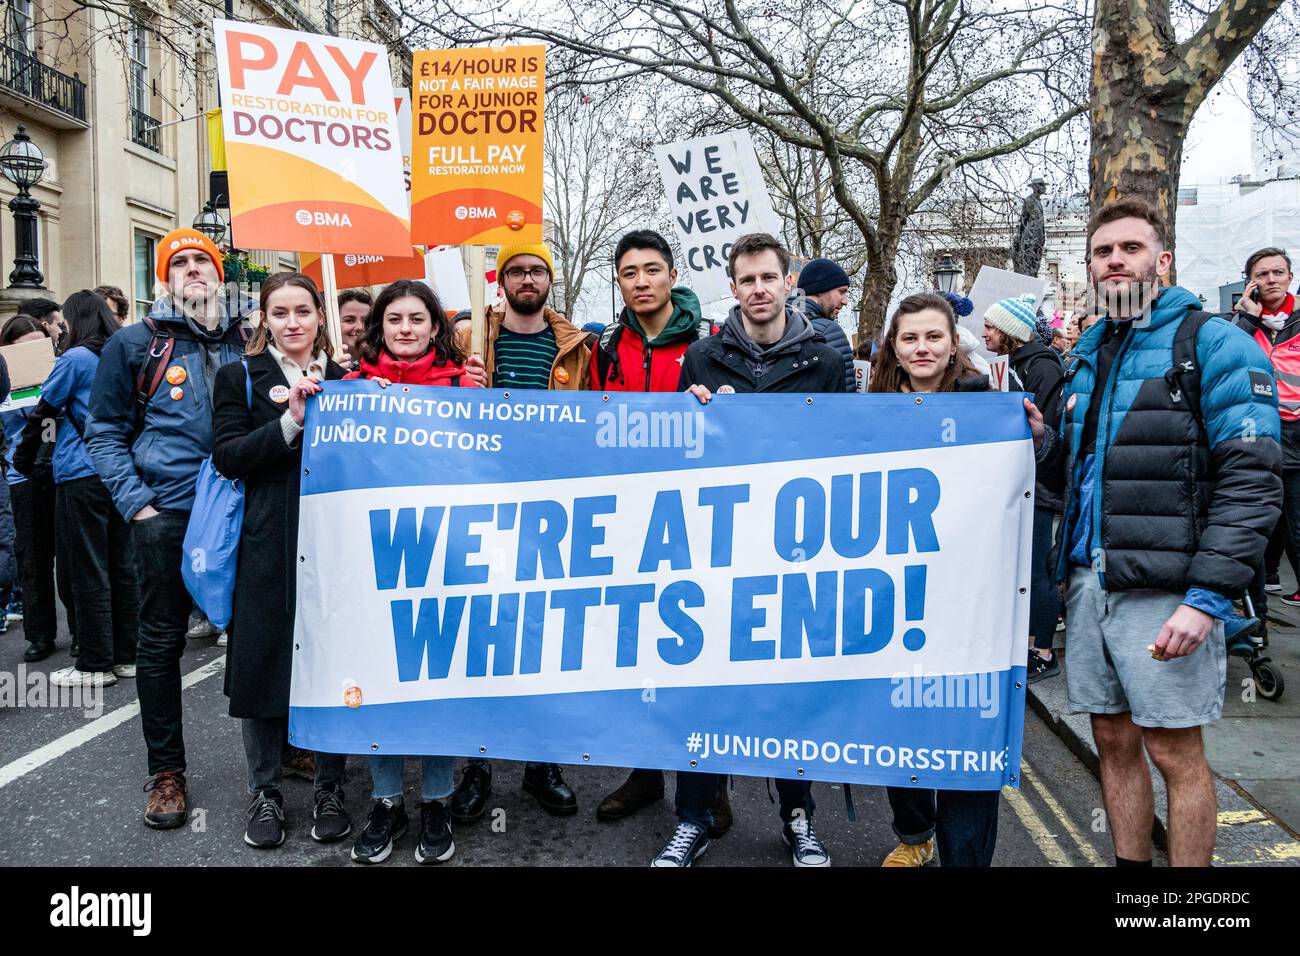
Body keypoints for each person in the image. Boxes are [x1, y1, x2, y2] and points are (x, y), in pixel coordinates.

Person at [1028, 197, 1281, 867]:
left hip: (1165, 588)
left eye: (1130, 248)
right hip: (1087, 580)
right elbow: (1079, 469)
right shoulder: (1086, 349)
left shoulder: (1212, 342)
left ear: (1161, 260)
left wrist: (1208, 598)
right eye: (1103, 252)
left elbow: (1254, 480)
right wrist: (1043, 439)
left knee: (1174, 748)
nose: (1115, 260)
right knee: (1112, 740)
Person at [668, 232, 842, 868]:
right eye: (747, 280)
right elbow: (680, 456)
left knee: (785, 690)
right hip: (718, 551)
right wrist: (691, 417)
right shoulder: (702, 357)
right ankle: (693, 819)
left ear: (788, 280)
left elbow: (847, 452)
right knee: (704, 686)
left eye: (769, 277)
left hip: (793, 551)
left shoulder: (826, 360)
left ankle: (798, 819)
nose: (759, 289)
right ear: (733, 287)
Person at [85, 226, 256, 830]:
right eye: (178, 263)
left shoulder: (250, 337)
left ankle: (283, 751)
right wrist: (138, 505)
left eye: (200, 261)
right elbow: (102, 431)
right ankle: (166, 773)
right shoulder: (135, 344)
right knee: (161, 643)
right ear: (165, 278)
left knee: (264, 628)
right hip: (169, 514)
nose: (191, 271)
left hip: (244, 510)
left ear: (218, 274)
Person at [585, 228, 732, 835]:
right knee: (635, 655)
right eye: (628, 273)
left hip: (697, 521)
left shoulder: (710, 346)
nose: (640, 282)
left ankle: (709, 786)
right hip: (627, 521)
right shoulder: (604, 348)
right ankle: (645, 774)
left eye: (651, 270)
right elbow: (590, 427)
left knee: (700, 660)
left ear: (672, 275)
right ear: (618, 282)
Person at [342, 278, 485, 865]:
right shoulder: (348, 389)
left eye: (417, 319)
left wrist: (481, 400)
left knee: (434, 678)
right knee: (378, 676)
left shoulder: (461, 385)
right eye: (394, 319)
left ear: (435, 328)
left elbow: (488, 461)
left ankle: (435, 799)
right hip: (370, 556)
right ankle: (384, 800)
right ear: (380, 326)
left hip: (442, 556)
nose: (405, 329)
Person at [210, 272, 352, 851]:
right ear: (263, 320)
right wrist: (290, 423)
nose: (292, 323)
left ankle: (330, 786)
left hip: (334, 543)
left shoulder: (347, 381)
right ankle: (264, 790)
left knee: (331, 660)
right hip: (267, 539)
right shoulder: (239, 377)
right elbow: (226, 457)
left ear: (321, 316)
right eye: (279, 312)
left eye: (302, 311)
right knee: (263, 661)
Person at [447, 243, 588, 822]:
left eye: (537, 270)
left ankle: (540, 762)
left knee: (541, 638)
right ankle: (479, 764)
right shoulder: (467, 337)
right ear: (499, 281)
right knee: (483, 636)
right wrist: (463, 384)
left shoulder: (578, 347)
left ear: (549, 280)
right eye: (516, 271)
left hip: (551, 509)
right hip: (481, 504)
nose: (527, 279)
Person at [868, 292, 1004, 867]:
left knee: (966, 729)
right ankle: (914, 834)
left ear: (953, 344)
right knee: (897, 719)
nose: (922, 348)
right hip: (891, 597)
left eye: (933, 337)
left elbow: (1029, 484)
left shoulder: (989, 403)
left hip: (967, 598)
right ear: (893, 350)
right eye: (909, 338)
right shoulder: (864, 412)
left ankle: (965, 860)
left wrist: (1039, 439)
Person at [15, 292, 139, 690]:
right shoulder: (125, 355)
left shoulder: (74, 360)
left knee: (87, 568)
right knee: (122, 564)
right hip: (122, 471)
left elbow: (44, 411)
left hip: (81, 471)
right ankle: (127, 655)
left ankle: (94, 662)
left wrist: (23, 458)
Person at [982, 293, 1066, 682]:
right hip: (1016, 480)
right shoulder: (1007, 366)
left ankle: (1044, 650)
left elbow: (1045, 427)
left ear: (1009, 332)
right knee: (1022, 569)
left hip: (1041, 483)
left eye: (990, 326)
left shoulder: (1043, 367)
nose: (984, 333)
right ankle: (1029, 639)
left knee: (1038, 571)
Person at [1230, 247, 1300, 619]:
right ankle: (1255, 620)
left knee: (1297, 529)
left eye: (1278, 272)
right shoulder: (1240, 323)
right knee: (1253, 529)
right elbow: (1229, 360)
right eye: (1263, 274)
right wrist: (1248, 318)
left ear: (1290, 277)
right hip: (1255, 439)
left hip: (1296, 441)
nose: (1271, 280)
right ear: (1250, 283)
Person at [1, 314, 69, 662]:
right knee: (32, 559)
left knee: (70, 557)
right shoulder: (4, 380)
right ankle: (39, 635)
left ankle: (80, 629)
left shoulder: (58, 371)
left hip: (59, 472)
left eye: (35, 346)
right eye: (21, 348)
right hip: (22, 476)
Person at [795, 257, 856, 392]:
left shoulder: (778, 328)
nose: (845, 301)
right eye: (841, 291)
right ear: (820, 289)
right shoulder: (830, 331)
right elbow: (847, 396)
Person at [337, 288, 372, 366]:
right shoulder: (322, 363)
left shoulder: (386, 361)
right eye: (349, 320)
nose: (360, 327)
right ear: (335, 323)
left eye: (366, 321)